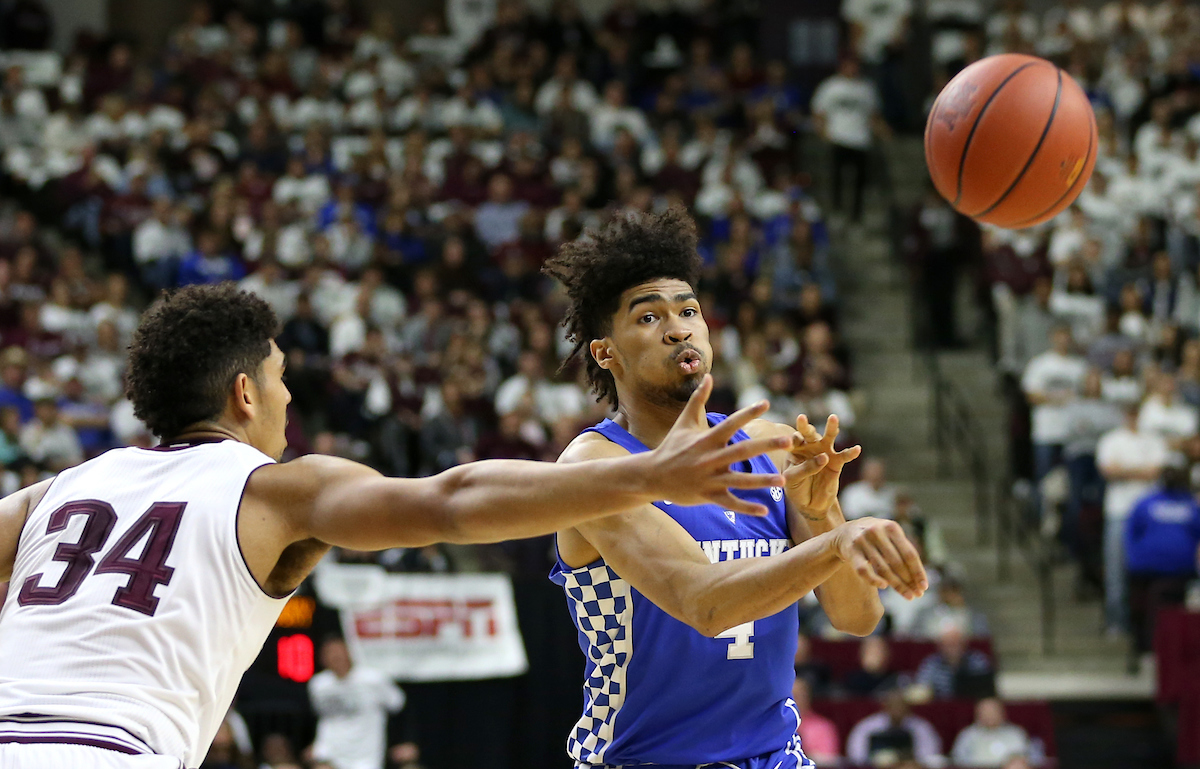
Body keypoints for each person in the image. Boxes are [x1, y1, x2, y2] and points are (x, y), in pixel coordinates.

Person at [0, 283, 797, 769]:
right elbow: (450, 501)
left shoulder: (61, 487)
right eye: (280, 381)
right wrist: (645, 474)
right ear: (245, 394)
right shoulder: (272, 487)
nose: (288, 403)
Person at [543, 208, 927, 768]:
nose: (678, 328)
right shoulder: (595, 467)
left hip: (773, 756)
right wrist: (836, 543)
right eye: (649, 317)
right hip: (642, 760)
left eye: (689, 310)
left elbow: (856, 618)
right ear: (606, 353)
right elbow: (706, 602)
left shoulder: (772, 445)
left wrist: (820, 516)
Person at [1096, 404, 1169, 634]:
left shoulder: (1155, 440)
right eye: (1130, 412)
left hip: (1150, 514)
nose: (1133, 417)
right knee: (1116, 570)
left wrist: (1125, 471)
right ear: (1124, 415)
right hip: (1119, 511)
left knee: (1151, 572)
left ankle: (1148, 624)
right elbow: (1108, 471)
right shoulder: (1111, 440)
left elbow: (1157, 471)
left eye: (1137, 412)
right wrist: (1141, 471)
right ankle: (1116, 621)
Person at [1123, 464, 1200, 653]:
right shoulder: (1146, 502)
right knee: (1140, 610)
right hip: (1144, 569)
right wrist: (1134, 558)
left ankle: (1167, 649)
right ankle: (1143, 648)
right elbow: (1131, 532)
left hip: (1177, 571)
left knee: (1166, 612)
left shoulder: (1190, 505)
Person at [308, 637, 404, 769]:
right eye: (329, 653)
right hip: (330, 752)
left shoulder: (373, 679)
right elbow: (321, 716)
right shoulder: (318, 685)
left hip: (365, 756)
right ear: (322, 659)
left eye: (339, 652)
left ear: (350, 654)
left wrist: (402, 741)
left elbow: (398, 707)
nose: (335, 657)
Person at [845, 689, 943, 767]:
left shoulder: (921, 727)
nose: (898, 711)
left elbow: (930, 756)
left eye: (901, 707)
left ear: (908, 708)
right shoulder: (867, 727)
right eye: (894, 706)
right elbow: (856, 757)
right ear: (885, 707)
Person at [951, 698, 1039, 768]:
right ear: (977, 714)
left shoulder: (1016, 733)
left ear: (1002, 712)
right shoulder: (967, 735)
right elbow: (958, 761)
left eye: (993, 711)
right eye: (985, 711)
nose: (989, 715)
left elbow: (1031, 759)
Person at [915, 624, 995, 699]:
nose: (953, 648)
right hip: (941, 707)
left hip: (972, 706)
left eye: (957, 643)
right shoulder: (931, 663)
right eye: (949, 644)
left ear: (965, 644)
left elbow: (987, 687)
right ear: (940, 646)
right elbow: (922, 688)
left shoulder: (978, 660)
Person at [791, 677, 840, 766]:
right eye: (790, 696)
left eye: (797, 696)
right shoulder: (773, 726)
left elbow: (828, 762)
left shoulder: (823, 727)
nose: (793, 701)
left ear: (808, 697)